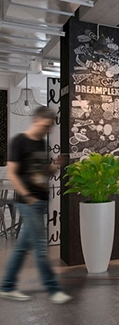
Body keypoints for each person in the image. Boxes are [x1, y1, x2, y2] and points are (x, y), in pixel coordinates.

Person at [0, 106, 72, 304]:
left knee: (22, 248)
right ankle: (53, 288)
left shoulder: (41, 143)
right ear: (38, 121)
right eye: (47, 126)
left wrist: (56, 165)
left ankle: (6, 286)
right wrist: (28, 195)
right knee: (41, 248)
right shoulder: (19, 141)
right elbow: (12, 173)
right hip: (28, 202)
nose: (48, 130)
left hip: (40, 201)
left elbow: (41, 174)